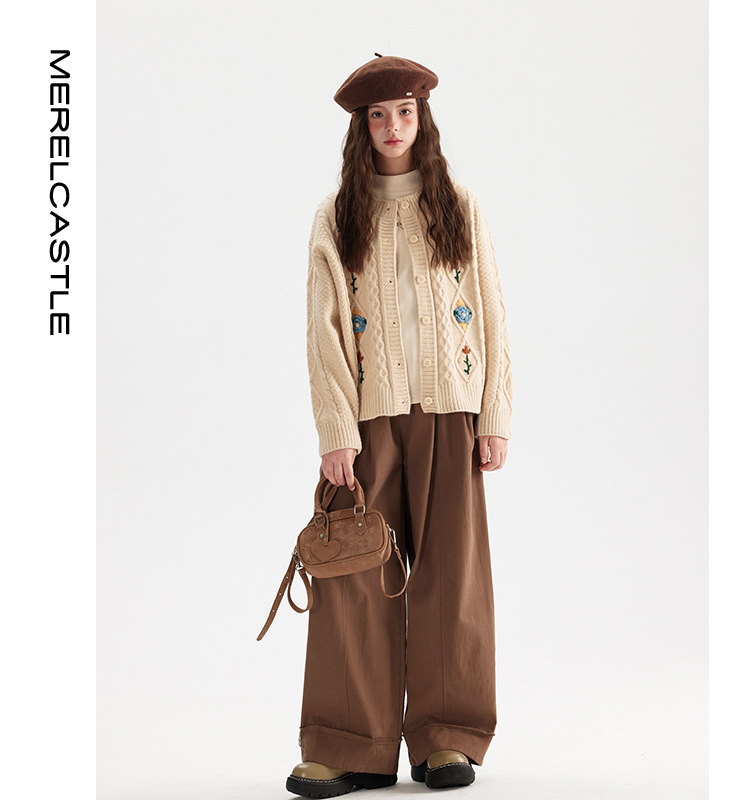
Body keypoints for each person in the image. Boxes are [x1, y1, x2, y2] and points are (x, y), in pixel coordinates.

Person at [287, 53, 513, 798]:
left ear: (423, 117)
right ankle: (349, 744)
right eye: (379, 115)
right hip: (368, 421)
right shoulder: (336, 216)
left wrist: (494, 413)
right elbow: (323, 329)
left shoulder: (458, 205)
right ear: (362, 126)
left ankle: (447, 738)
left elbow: (492, 309)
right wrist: (335, 429)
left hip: (452, 413)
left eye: (405, 112)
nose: (393, 126)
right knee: (355, 576)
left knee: (453, 577)